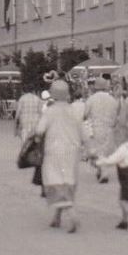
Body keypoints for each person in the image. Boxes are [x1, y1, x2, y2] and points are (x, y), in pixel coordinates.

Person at [34, 80, 85, 233]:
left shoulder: (50, 111)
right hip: (73, 151)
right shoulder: (74, 110)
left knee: (55, 182)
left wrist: (36, 139)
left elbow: (39, 130)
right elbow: (83, 132)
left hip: (54, 151)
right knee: (68, 181)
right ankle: (57, 218)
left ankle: (71, 213)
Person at [93, 134, 128, 232]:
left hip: (127, 177)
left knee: (122, 201)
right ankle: (124, 221)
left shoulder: (122, 150)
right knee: (126, 199)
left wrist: (98, 163)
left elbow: (111, 161)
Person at [84, 77, 120, 184]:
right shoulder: (112, 99)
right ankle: (101, 170)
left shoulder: (91, 99)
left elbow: (85, 114)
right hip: (109, 127)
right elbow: (116, 113)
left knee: (98, 151)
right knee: (105, 150)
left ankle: (104, 172)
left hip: (96, 127)